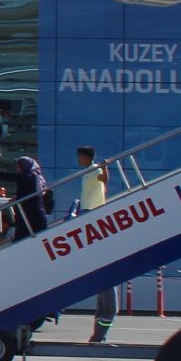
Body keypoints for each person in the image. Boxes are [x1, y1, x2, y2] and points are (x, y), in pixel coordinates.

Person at [72, 146, 117, 345]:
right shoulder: (86, 172)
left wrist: (105, 167)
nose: (78, 160)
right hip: (87, 209)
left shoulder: (94, 169)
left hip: (91, 210)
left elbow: (104, 180)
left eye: (79, 157)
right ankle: (99, 335)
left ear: (86, 157)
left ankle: (100, 335)